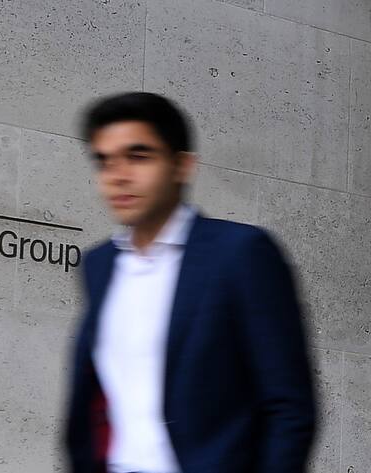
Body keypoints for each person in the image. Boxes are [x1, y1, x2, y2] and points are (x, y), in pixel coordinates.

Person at [63, 92, 317, 473]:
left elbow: (289, 406)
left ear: (182, 165)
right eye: (104, 161)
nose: (118, 176)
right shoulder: (100, 265)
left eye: (138, 156)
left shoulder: (240, 254)